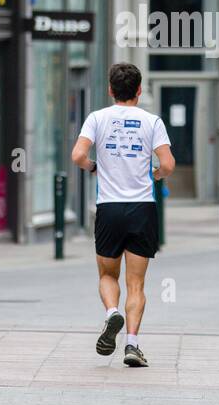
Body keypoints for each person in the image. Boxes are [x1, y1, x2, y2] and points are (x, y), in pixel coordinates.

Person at [71, 62, 174, 368]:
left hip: (109, 208)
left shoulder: (96, 118)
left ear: (110, 90)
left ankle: (110, 313)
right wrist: (153, 175)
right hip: (142, 208)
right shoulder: (152, 121)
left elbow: (78, 155)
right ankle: (132, 343)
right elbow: (168, 165)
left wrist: (93, 168)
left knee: (107, 274)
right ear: (139, 91)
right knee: (137, 284)